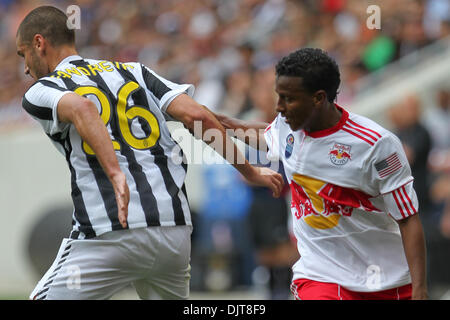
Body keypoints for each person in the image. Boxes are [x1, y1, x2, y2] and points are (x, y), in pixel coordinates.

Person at [16, 6, 283, 300]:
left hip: (109, 231)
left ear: (39, 43)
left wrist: (116, 173)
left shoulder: (44, 89)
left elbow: (83, 107)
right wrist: (250, 171)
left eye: (23, 54)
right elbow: (199, 118)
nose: (26, 68)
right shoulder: (135, 71)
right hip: (173, 230)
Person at [215, 48, 428, 300]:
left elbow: (407, 218)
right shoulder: (288, 126)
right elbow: (264, 135)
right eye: (278, 96)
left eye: (288, 99)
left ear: (318, 98)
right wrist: (210, 120)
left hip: (386, 280)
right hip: (320, 275)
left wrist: (420, 289)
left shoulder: (377, 145)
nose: (279, 107)